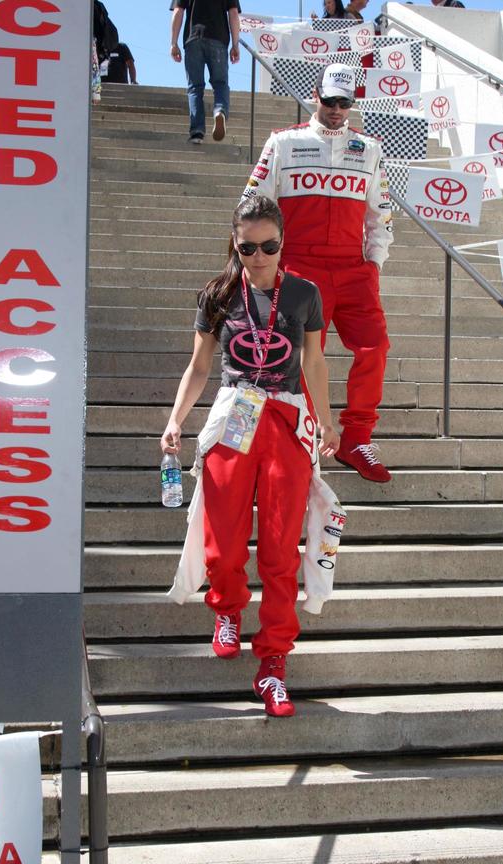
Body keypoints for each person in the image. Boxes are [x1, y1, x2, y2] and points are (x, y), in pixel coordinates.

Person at [162, 196, 343, 718]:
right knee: (221, 536)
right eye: (247, 247)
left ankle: (274, 664)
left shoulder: (305, 293)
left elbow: (314, 362)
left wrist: (327, 421)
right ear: (234, 244)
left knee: (282, 549)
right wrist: (176, 420)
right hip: (234, 417)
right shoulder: (219, 294)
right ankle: (227, 610)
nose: (258, 255)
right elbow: (199, 367)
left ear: (283, 242)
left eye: (269, 246)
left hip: (285, 422)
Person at [242, 64, 394, 482]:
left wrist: (373, 264)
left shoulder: (369, 148)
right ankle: (306, 439)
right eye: (330, 101)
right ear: (315, 95)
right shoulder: (284, 141)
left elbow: (380, 215)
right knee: (306, 354)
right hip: (300, 266)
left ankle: (356, 438)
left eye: (345, 103)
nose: (336, 110)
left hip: (353, 267)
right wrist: (261, 260)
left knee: (375, 347)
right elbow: (252, 204)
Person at [170, 0, 241, 145]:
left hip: (193, 39)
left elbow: (178, 11)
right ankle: (219, 111)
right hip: (219, 40)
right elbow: (233, 13)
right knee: (220, 84)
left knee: (195, 87)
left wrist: (173, 43)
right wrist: (235, 44)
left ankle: (197, 132)